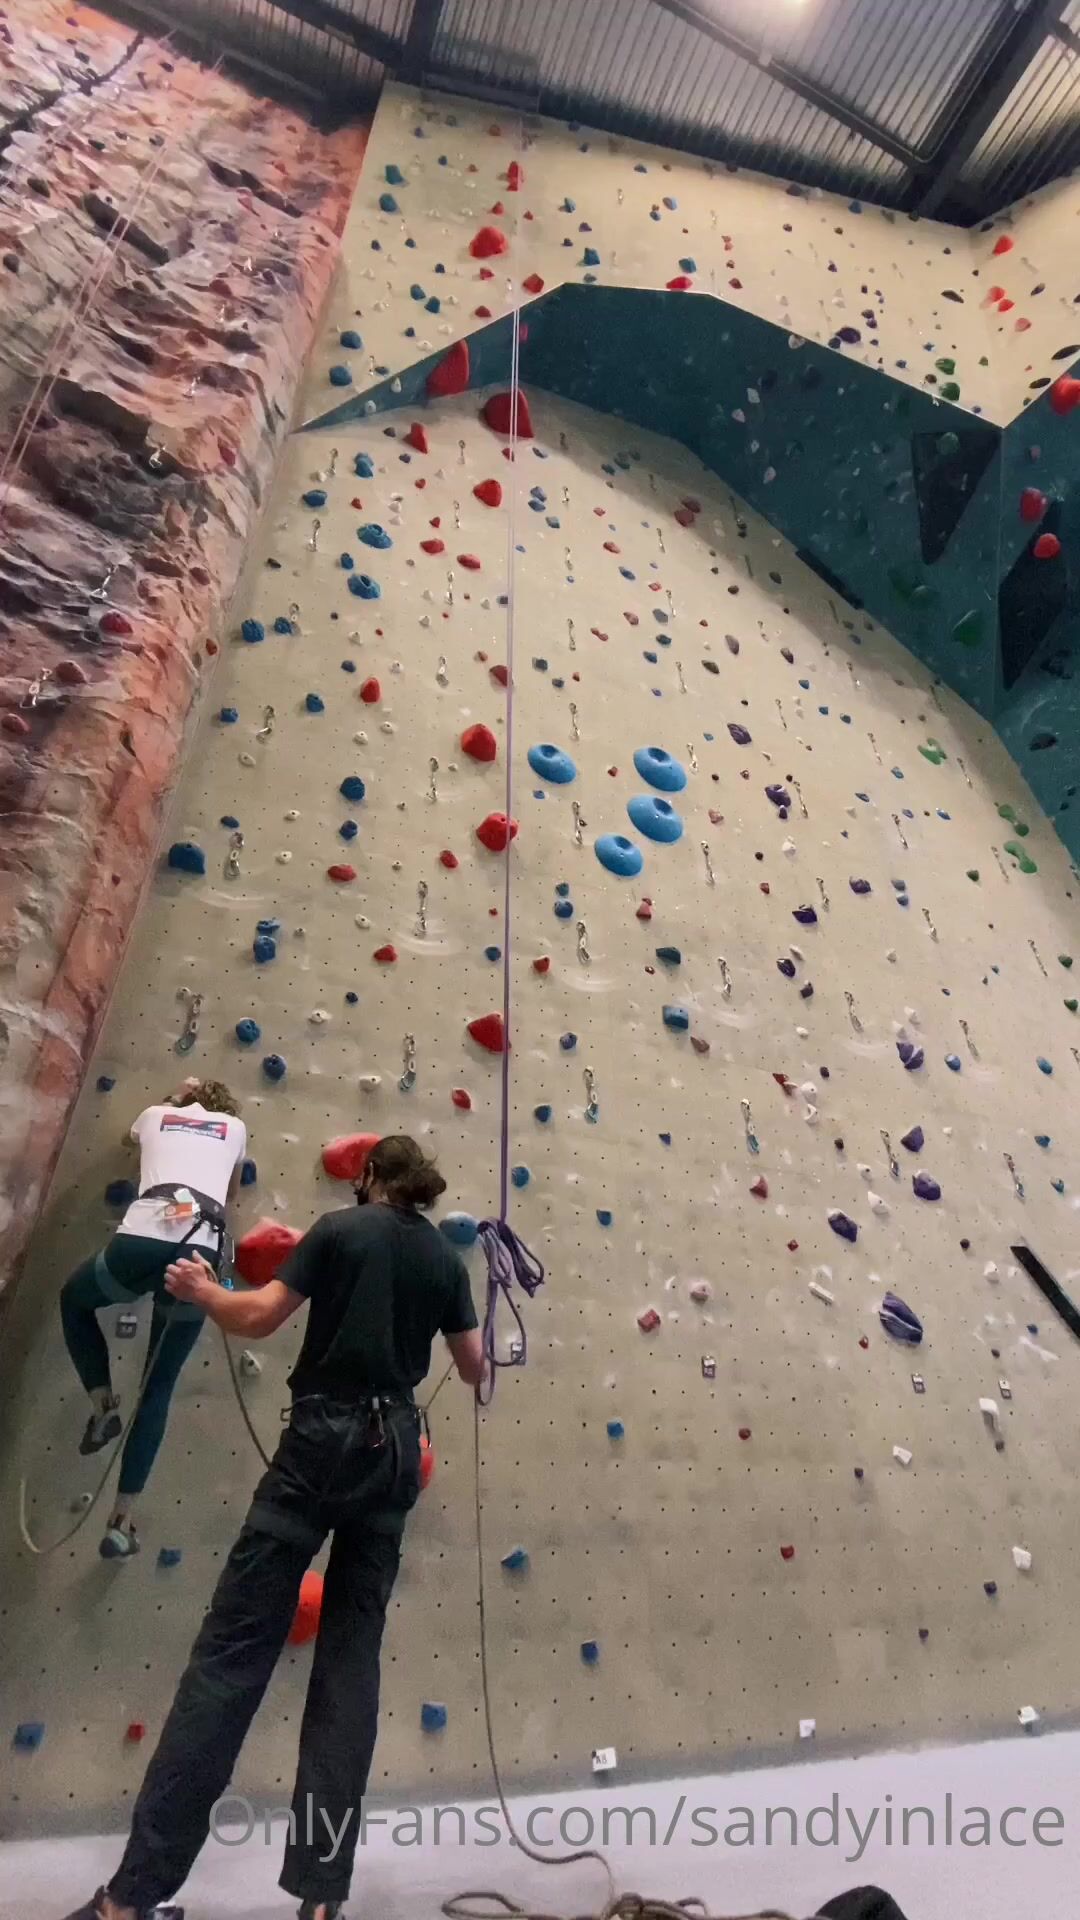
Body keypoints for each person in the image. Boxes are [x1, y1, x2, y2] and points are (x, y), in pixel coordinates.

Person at [64, 1133, 485, 1920]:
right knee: (350, 1670)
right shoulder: (442, 1259)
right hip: (395, 1452)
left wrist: (200, 1290)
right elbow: (472, 1367)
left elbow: (257, 1317)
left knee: (229, 1661)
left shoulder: (339, 1229)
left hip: (320, 1445)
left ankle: (129, 1900)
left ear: (369, 1176)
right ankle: (322, 1900)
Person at [59, 1075, 247, 1560]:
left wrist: (171, 1100)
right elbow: (231, 1193)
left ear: (185, 1098)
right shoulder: (235, 1128)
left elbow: (130, 1142)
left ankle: (103, 1406)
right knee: (157, 1385)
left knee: (75, 1301)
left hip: (144, 1234)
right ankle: (121, 1521)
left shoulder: (157, 1113)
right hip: (200, 1251)